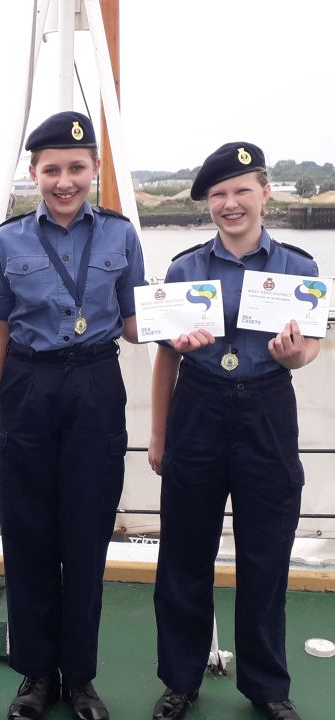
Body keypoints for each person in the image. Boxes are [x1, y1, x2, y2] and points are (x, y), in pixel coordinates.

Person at [0, 111, 146, 720]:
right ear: (34, 172)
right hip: (28, 384)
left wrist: (191, 325)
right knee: (27, 537)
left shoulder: (121, 236)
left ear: (95, 169)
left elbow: (136, 324)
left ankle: (78, 678)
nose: (65, 181)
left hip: (96, 384)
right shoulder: (8, 240)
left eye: (77, 168)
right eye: (52, 169)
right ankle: (34, 676)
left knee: (86, 536)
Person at [147, 142, 320, 720]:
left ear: (265, 193)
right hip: (197, 408)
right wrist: (159, 435)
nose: (231, 203)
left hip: (267, 408)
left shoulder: (299, 267)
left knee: (266, 556)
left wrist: (294, 357)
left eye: (242, 190)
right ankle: (180, 680)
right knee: (184, 553)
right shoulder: (185, 269)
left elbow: (310, 348)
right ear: (208, 203)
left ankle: (267, 687)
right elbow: (166, 358)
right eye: (219, 194)